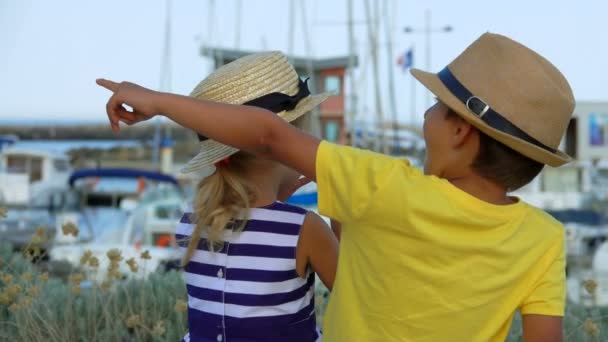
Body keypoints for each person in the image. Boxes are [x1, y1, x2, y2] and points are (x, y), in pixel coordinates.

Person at [98, 33, 573, 341]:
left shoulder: (382, 184)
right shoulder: (545, 239)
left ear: (460, 131)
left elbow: (269, 135)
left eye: (435, 105)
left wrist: (159, 100)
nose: (425, 115)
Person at [155, 52, 339, 342]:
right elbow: (354, 294)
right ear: (286, 145)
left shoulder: (191, 223)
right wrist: (338, 198)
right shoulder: (304, 229)